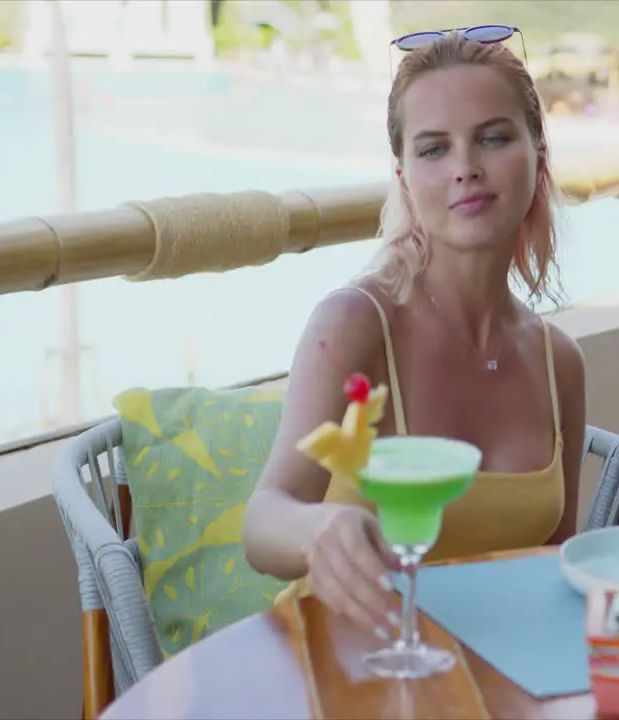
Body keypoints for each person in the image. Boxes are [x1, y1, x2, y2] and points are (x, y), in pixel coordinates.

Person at [242, 31, 587, 638]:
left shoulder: (560, 362)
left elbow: (553, 569)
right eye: (434, 149)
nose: (466, 169)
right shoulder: (355, 324)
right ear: (404, 179)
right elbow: (263, 525)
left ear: (539, 155)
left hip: (492, 679)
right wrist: (319, 531)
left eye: (494, 137)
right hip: (339, 670)